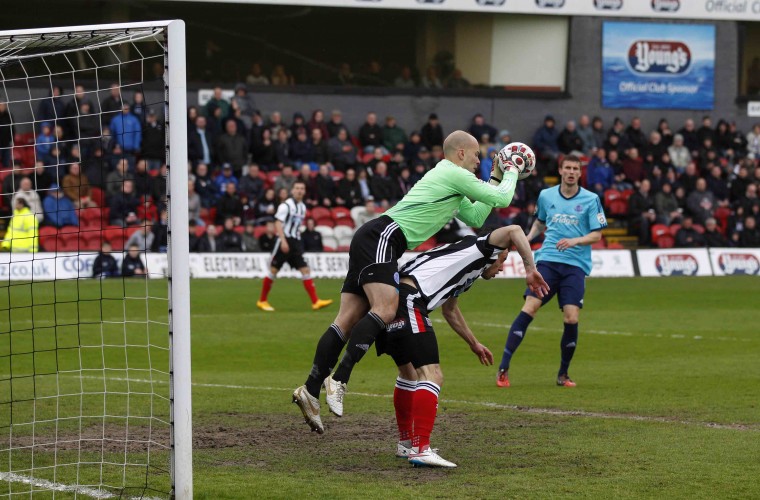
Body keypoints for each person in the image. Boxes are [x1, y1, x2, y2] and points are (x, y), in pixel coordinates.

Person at [292, 130, 525, 434]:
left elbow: (478, 217)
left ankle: (310, 391)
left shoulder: (451, 180)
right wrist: (512, 170)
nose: (480, 160)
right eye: (477, 154)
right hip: (385, 237)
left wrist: (495, 177)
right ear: (461, 153)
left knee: (347, 319)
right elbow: (504, 198)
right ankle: (339, 379)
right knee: (386, 308)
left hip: (374, 236)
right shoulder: (453, 172)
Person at [370, 225, 548, 467]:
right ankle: (421, 449)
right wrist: (531, 270)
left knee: (409, 374)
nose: (502, 267)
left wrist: (474, 343)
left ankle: (407, 444)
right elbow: (515, 229)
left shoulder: (466, 267)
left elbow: (450, 310)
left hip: (392, 298)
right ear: (495, 254)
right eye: (503, 260)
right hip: (410, 300)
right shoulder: (480, 248)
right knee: (432, 375)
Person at [496, 155, 606, 388]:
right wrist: (526, 238)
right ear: (560, 170)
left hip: (575, 265)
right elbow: (540, 222)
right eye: (567, 168)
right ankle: (503, 368)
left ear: (579, 173)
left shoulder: (591, 199)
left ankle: (563, 374)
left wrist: (575, 241)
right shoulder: (546, 196)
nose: (571, 172)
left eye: (576, 169)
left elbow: (597, 234)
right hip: (547, 261)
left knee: (571, 317)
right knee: (530, 307)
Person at [256, 180, 333, 312]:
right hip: (284, 240)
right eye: (297, 188)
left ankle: (315, 301)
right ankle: (262, 300)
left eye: (302, 189)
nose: (299, 191)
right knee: (274, 270)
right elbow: (278, 223)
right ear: (292, 191)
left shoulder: (302, 207)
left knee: (305, 270)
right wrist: (283, 240)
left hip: (295, 242)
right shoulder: (286, 206)